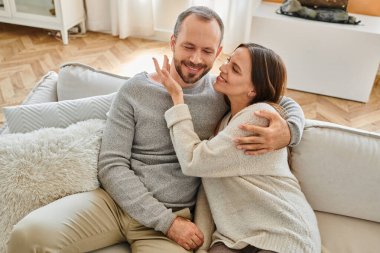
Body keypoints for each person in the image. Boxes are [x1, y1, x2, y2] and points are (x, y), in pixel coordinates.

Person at [7, 6, 305, 253]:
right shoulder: (135, 90)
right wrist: (164, 221)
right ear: (173, 42)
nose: (196, 59)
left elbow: (276, 96)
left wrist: (290, 131)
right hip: (114, 205)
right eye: (188, 46)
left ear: (218, 52)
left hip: (176, 220)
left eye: (206, 50)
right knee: (27, 236)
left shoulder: (223, 95)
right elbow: (111, 165)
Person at [153, 43, 321, 253]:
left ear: (253, 89)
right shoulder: (226, 120)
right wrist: (202, 247)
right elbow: (210, 186)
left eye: (235, 69)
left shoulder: (257, 117)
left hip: (283, 233)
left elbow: (192, 161)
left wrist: (177, 100)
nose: (223, 68)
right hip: (235, 237)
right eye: (228, 61)